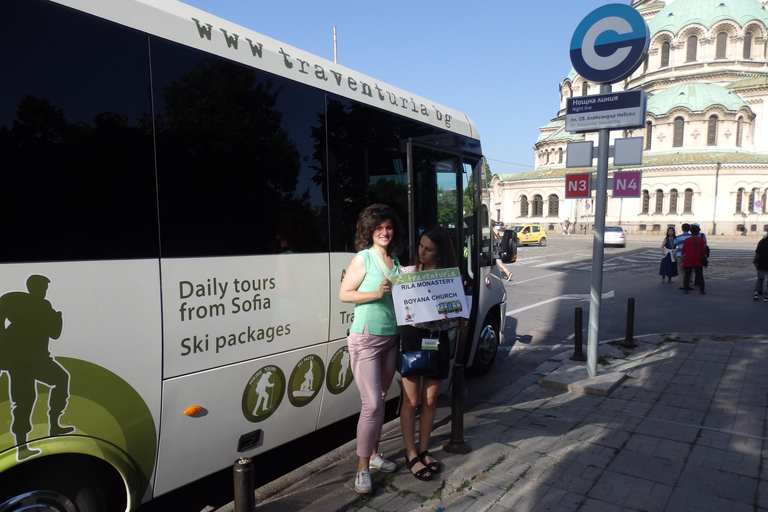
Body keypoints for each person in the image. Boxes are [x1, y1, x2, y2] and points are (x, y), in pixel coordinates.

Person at [339, 204, 404, 494]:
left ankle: (375, 456)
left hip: (391, 338)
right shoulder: (363, 258)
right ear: (369, 231)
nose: (385, 232)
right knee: (373, 405)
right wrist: (376, 293)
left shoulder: (397, 262)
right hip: (366, 338)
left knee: (381, 399)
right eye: (379, 228)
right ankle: (362, 469)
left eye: (389, 227)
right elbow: (344, 294)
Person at [399, 226, 459, 482]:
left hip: (437, 338)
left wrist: (451, 312)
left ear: (440, 252)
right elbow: (399, 306)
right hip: (413, 338)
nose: (422, 252)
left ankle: (424, 450)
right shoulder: (407, 274)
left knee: (431, 400)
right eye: (420, 246)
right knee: (411, 401)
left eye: (429, 249)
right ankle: (410, 453)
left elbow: (456, 311)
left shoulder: (449, 277)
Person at [0, 275, 73, 461]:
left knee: (59, 380)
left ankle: (54, 425)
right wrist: (58, 317)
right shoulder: (33, 304)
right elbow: (55, 332)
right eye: (42, 286)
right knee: (25, 400)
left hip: (35, 359)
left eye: (45, 287)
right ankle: (22, 447)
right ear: (33, 287)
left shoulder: (18, 301)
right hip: (23, 361)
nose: (44, 290)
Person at [681, 224, 707, 295]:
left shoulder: (687, 240)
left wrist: (682, 258)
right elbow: (703, 251)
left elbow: (683, 251)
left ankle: (686, 289)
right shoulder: (701, 240)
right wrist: (705, 259)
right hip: (698, 260)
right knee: (700, 275)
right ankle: (702, 290)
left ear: (691, 231)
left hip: (688, 259)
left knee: (687, 275)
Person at [673, 223, 692, 289]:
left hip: (679, 255)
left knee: (680, 270)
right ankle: (687, 283)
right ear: (689, 229)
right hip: (689, 256)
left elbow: (674, 245)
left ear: (682, 229)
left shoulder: (678, 237)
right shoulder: (692, 237)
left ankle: (682, 284)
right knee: (689, 271)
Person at [753, 233, 768, 301]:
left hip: (761, 262)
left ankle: (757, 291)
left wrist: (755, 261)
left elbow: (757, 253)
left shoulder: (762, 241)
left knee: (760, 278)